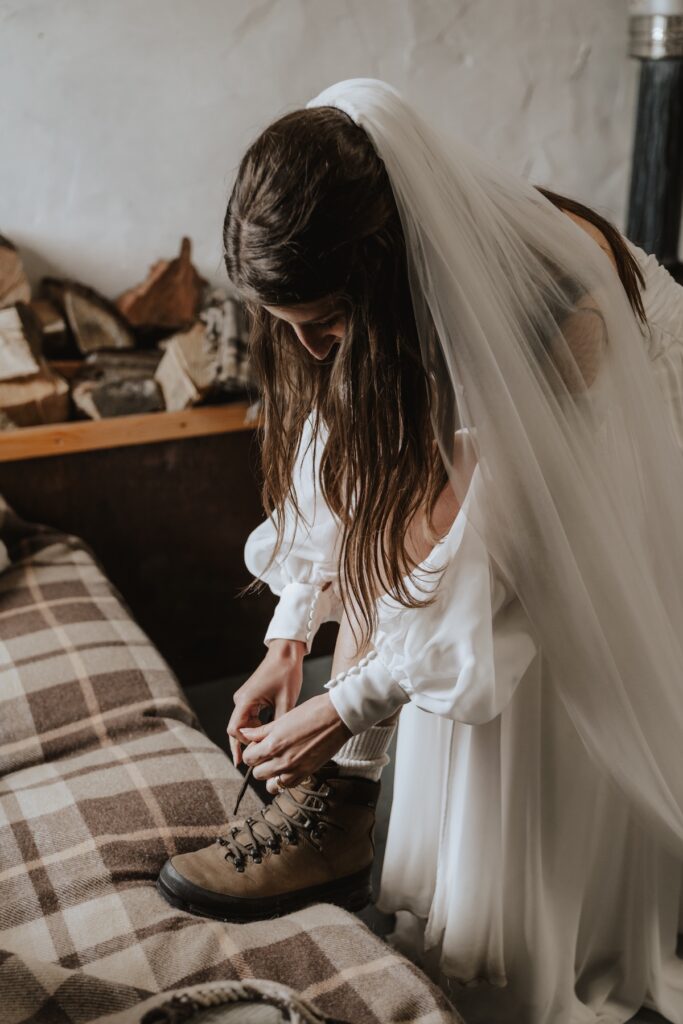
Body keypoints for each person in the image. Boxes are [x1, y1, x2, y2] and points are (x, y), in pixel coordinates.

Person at [158, 80, 683, 1024]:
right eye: (287, 328)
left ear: (378, 274)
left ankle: (483, 895)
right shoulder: (392, 256)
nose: (310, 352)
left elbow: (508, 556)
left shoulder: (558, 310)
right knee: (399, 523)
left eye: (322, 323)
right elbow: (341, 459)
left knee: (518, 688)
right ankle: (344, 817)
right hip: (515, 446)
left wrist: (345, 702)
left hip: (612, 465)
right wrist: (291, 637)